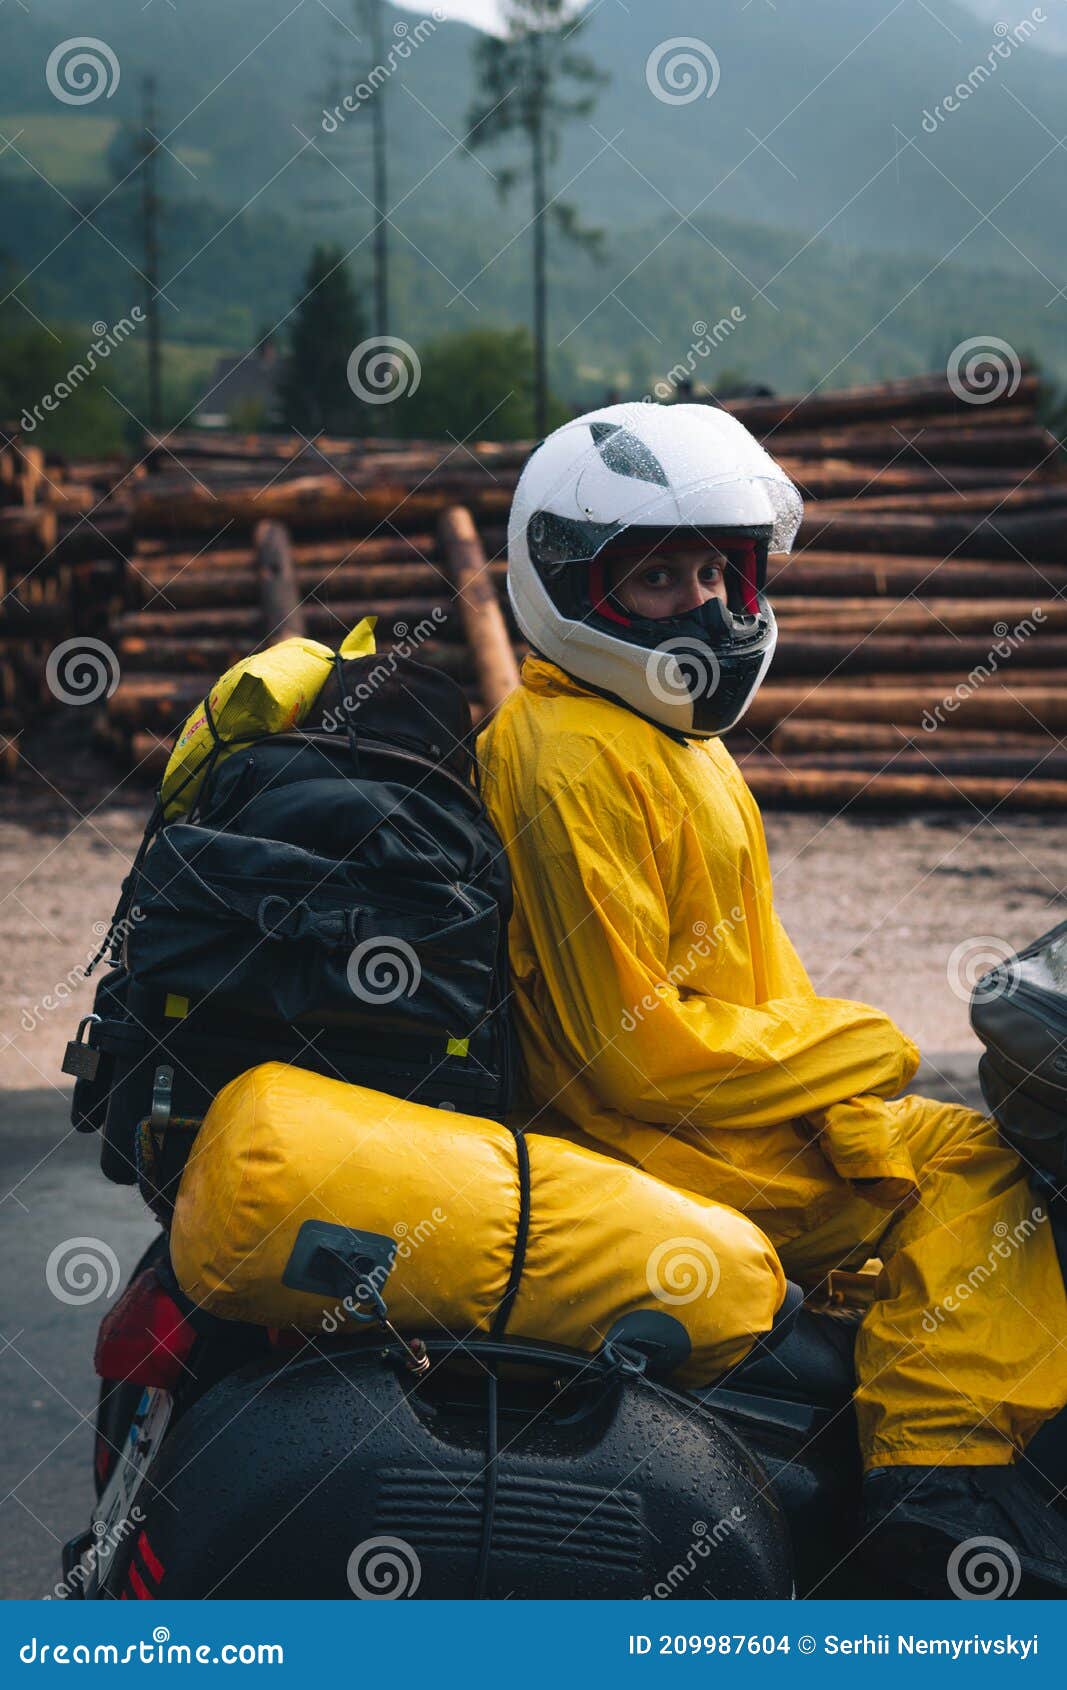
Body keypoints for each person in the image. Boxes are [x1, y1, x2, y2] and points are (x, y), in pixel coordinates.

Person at [475, 400, 1067, 1596]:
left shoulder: (653, 737)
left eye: (713, 571)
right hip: (659, 1133)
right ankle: (937, 1494)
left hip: (727, 1108)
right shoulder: (572, 757)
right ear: (572, 586)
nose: (701, 605)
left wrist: (838, 1084)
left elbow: (744, 983)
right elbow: (632, 1053)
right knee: (984, 1180)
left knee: (955, 1146)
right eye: (657, 578)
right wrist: (859, 1053)